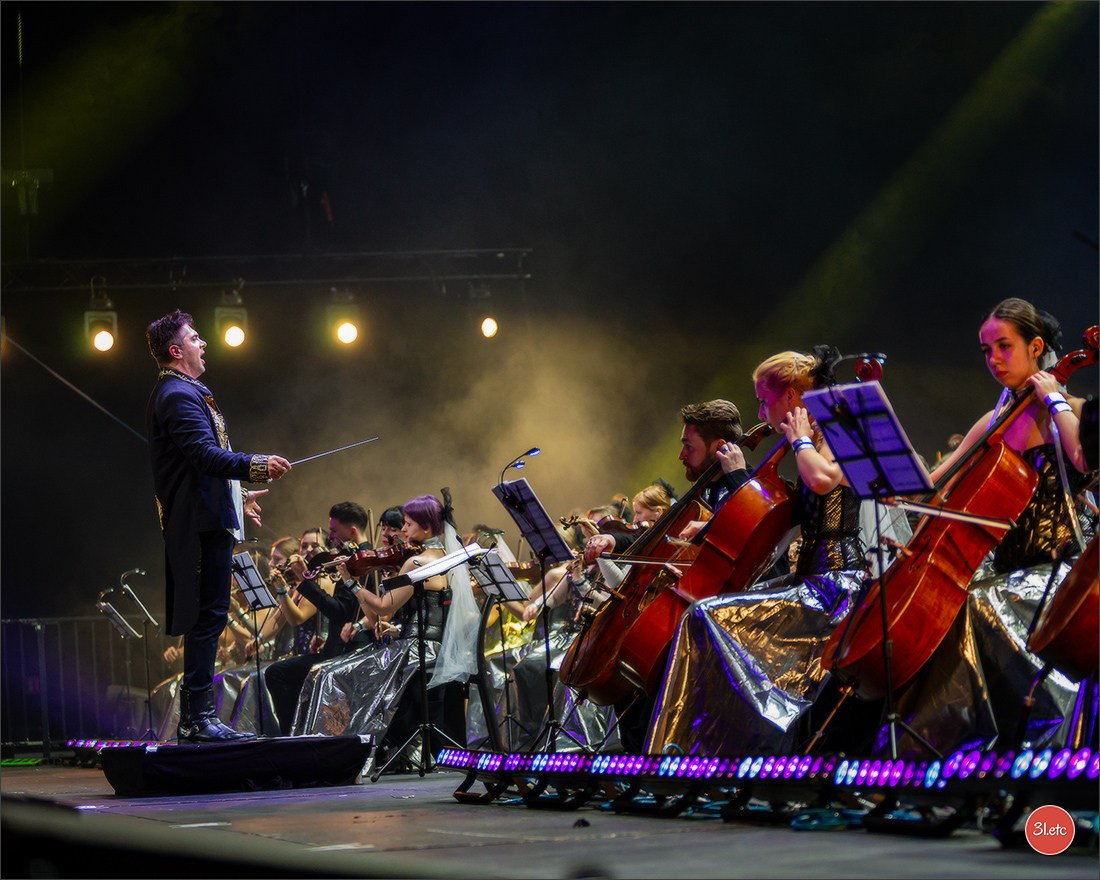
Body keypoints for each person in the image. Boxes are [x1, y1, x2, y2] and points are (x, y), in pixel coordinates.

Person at [645, 346, 869, 755]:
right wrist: (714, 525)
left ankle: (717, 752)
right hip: (811, 580)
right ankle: (704, 753)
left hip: (838, 586)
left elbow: (822, 481)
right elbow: (782, 519)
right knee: (708, 615)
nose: (761, 410)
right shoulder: (806, 440)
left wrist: (798, 438)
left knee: (706, 617)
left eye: (764, 400)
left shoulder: (836, 431)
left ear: (789, 397)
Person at [897, 297, 1095, 753]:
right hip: (1007, 573)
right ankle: (938, 750)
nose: (994, 359)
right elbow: (930, 485)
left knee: (973, 606)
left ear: (1036, 346)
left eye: (1004, 346)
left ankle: (983, 748)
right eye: (986, 351)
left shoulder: (1068, 411)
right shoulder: (994, 422)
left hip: (1058, 574)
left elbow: (1084, 458)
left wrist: (1055, 399)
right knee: (942, 608)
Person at [145, 309, 291, 743]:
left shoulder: (186, 391)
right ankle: (197, 719)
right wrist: (257, 466)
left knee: (209, 616)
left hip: (207, 517)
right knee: (207, 618)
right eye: (194, 338)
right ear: (176, 350)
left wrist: (235, 496)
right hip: (198, 526)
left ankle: (198, 718)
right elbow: (205, 456)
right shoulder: (176, 394)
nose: (203, 343)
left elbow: (199, 466)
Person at [263, 502, 370, 736]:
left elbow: (341, 612)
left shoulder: (362, 562)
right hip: (334, 647)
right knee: (276, 672)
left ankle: (294, 737)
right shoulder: (349, 559)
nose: (330, 536)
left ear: (351, 531)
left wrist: (304, 582)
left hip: (350, 651)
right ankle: (295, 735)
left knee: (278, 674)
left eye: (333, 531)